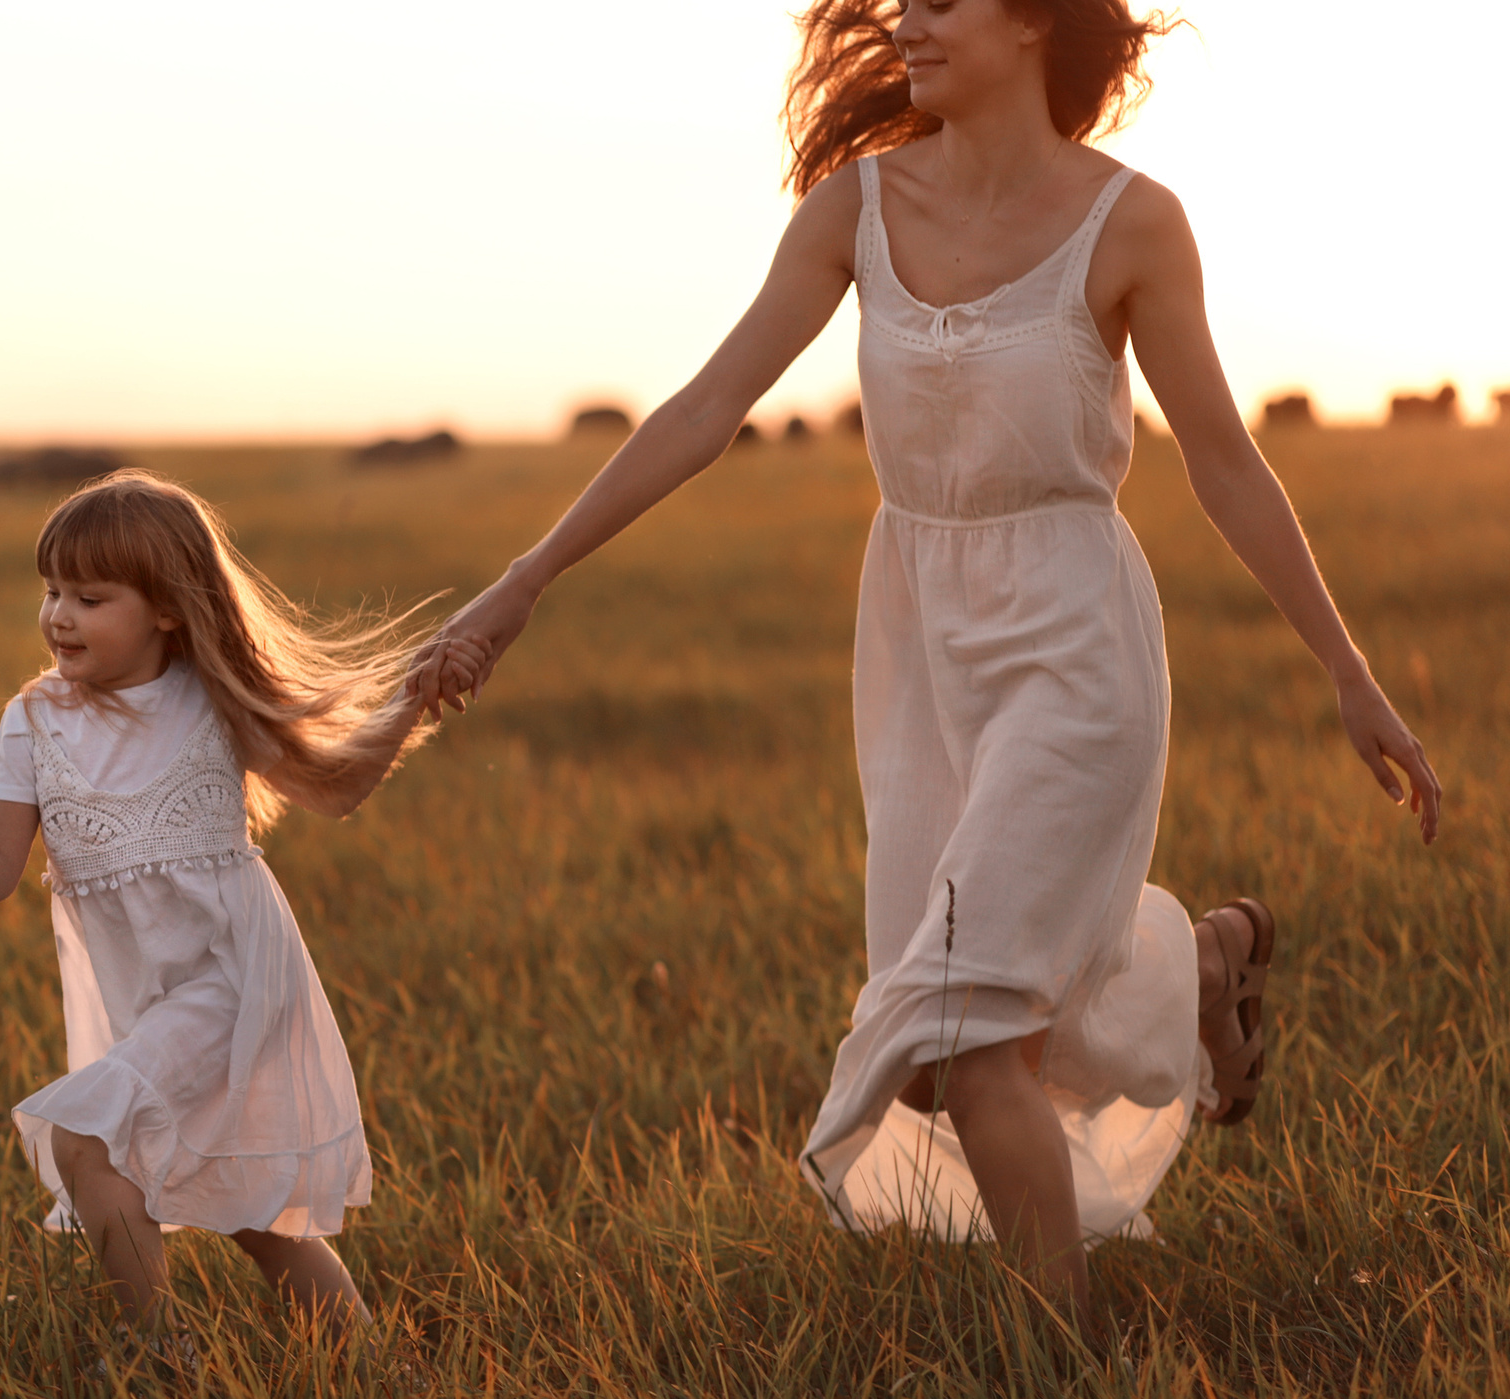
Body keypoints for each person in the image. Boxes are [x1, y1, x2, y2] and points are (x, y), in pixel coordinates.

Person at [409, 0, 1441, 1313]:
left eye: (942, 0)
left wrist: (1350, 669)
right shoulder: (857, 210)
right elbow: (707, 405)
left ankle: (1054, 1372)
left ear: (1028, 24)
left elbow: (1225, 462)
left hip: (1074, 637)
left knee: (966, 1027)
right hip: (916, 643)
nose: (906, 20)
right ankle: (1195, 974)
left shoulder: (1130, 222)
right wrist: (522, 581)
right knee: (930, 1049)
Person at [0, 471, 481, 1345]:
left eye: (91, 596)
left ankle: (161, 1356)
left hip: (235, 985)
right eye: (52, 591)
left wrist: (412, 701)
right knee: (255, 1216)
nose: (59, 615)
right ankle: (379, 1371)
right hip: (146, 1005)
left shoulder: (209, 702)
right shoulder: (30, 721)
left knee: (83, 1136)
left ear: (168, 610)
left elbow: (334, 790)